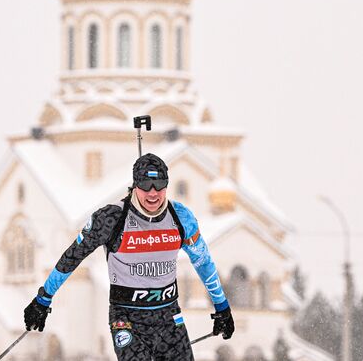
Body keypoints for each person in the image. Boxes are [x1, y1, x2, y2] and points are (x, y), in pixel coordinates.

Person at [24, 153, 235, 360]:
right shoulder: (111, 218)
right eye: (145, 186)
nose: (153, 194)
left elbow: (203, 262)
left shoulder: (181, 217)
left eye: (159, 186)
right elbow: (72, 257)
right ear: (135, 186)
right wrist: (43, 299)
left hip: (169, 316)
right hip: (127, 318)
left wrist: (222, 307)